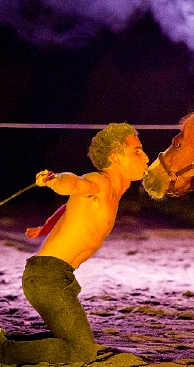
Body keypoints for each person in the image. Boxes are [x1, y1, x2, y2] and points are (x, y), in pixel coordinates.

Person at [0, 123, 149, 364]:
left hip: (57, 277)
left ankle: (8, 340)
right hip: (47, 279)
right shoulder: (99, 182)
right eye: (137, 151)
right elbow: (76, 184)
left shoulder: (113, 193)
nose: (145, 157)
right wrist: (55, 180)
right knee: (81, 352)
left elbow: (67, 207)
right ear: (115, 157)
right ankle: (4, 352)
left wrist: (45, 227)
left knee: (71, 340)